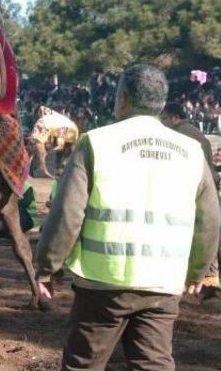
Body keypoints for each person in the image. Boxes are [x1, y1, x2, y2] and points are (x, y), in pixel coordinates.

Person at [35, 64, 220, 370]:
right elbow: (210, 221)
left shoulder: (96, 143)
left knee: (84, 364)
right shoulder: (191, 151)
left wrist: (47, 267)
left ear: (122, 99)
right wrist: (198, 271)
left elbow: (68, 215)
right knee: (154, 364)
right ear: (161, 103)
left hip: (103, 281)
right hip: (163, 283)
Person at [162, 102, 221, 299]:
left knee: (203, 230)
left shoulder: (181, 134)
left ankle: (208, 281)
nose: (162, 123)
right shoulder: (193, 130)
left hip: (194, 188)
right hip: (204, 185)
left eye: (164, 118)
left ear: (174, 117)